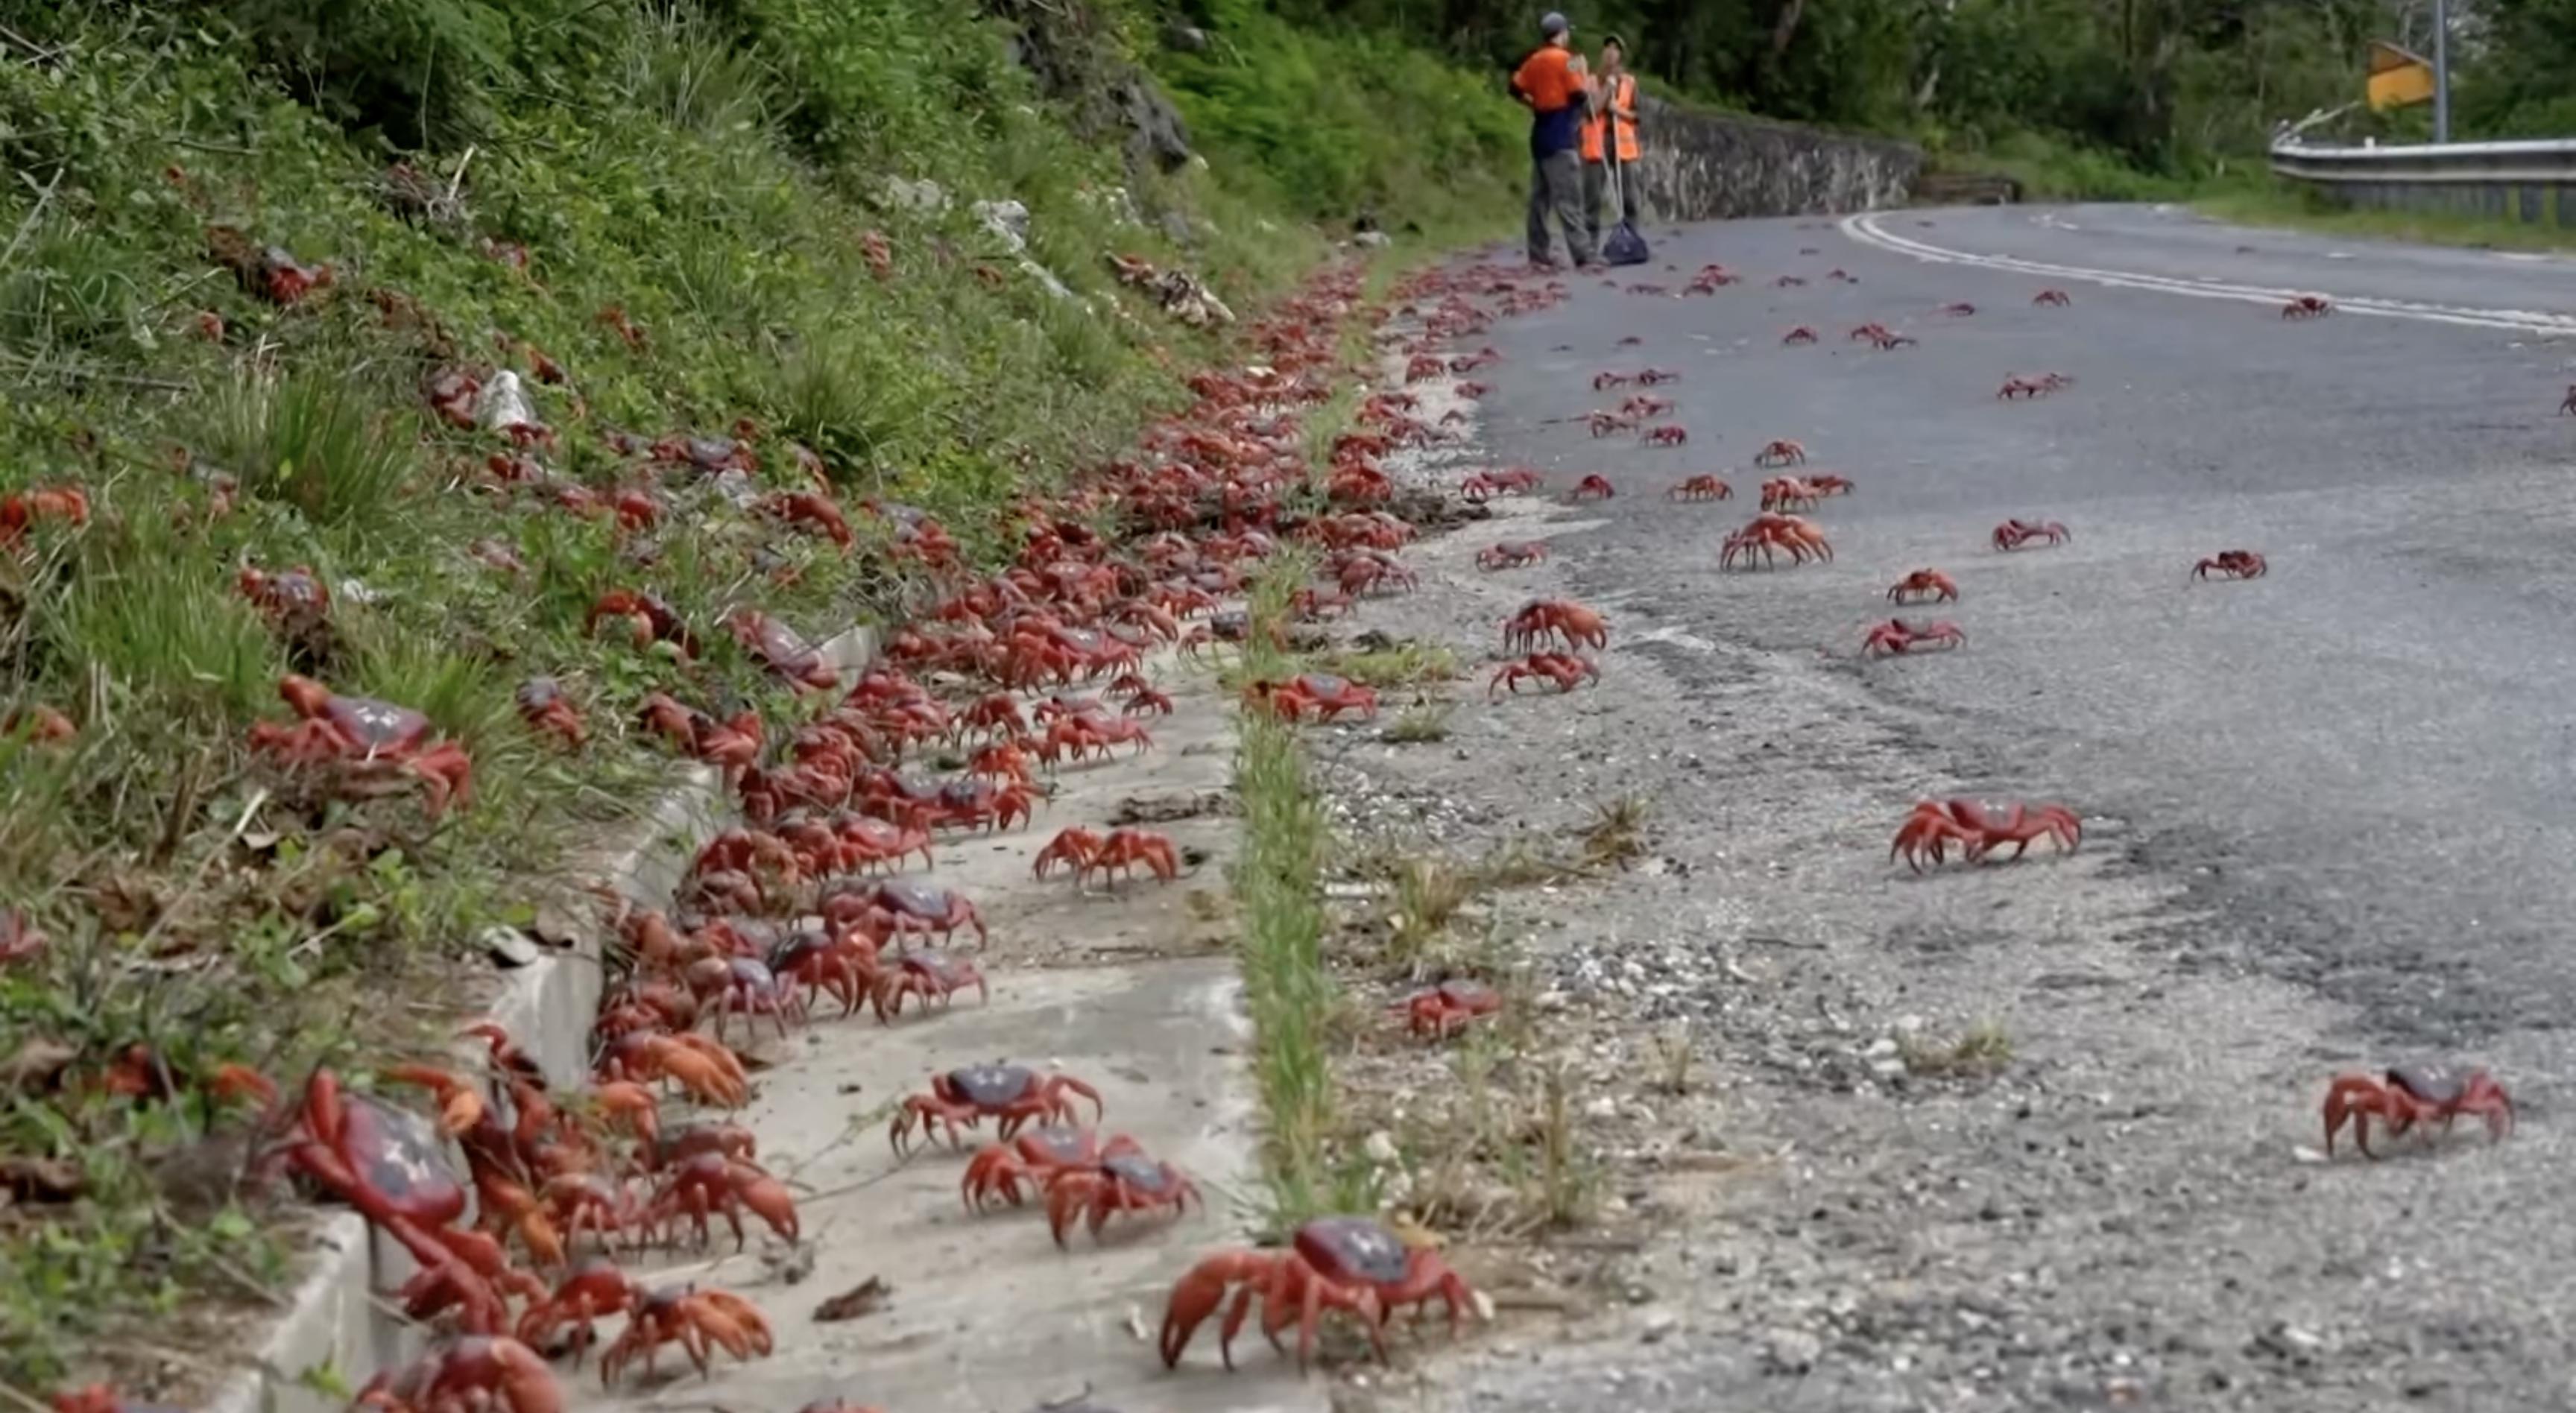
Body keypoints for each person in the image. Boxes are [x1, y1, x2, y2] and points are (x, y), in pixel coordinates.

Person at [1510, 12, 1594, 270]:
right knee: (1569, 196)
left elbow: (1514, 88)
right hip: (1560, 132)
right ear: (1561, 33)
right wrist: (1584, 73)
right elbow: (1579, 94)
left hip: (1540, 131)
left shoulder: (1533, 61)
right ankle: (1582, 253)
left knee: (1539, 198)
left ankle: (1538, 252)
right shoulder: (1566, 60)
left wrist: (1533, 103)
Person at [1580, 34, 1642, 245]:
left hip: (1623, 145)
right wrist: (1608, 88)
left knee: (1629, 196)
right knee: (1592, 198)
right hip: (1597, 144)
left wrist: (1619, 110)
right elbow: (1590, 111)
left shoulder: (1630, 83)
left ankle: (1631, 240)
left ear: (1621, 56)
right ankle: (1590, 244)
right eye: (1607, 47)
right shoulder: (1589, 81)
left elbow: (1638, 116)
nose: (1610, 52)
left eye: (1616, 48)